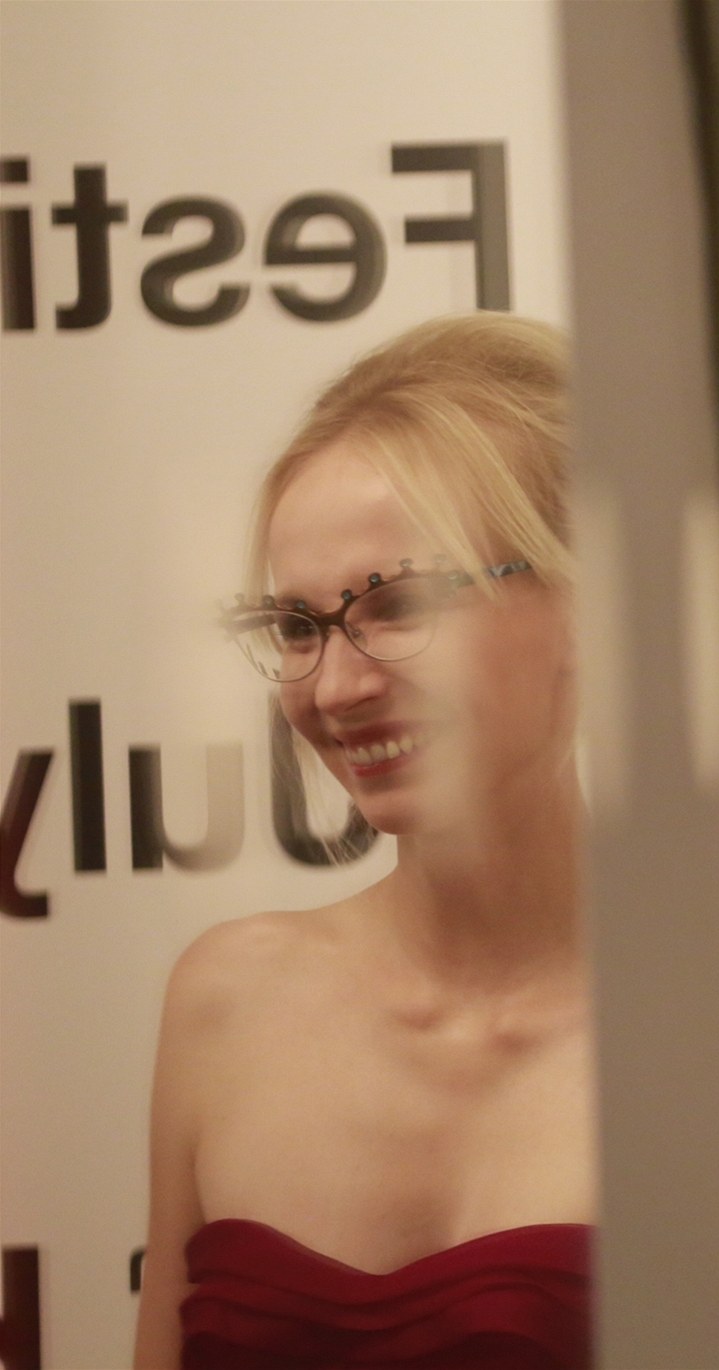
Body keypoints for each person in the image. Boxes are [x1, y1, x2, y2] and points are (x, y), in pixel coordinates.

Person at [133, 314, 594, 1370]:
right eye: (299, 627)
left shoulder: (717, 1030)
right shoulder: (226, 1003)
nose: (336, 687)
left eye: (398, 604)